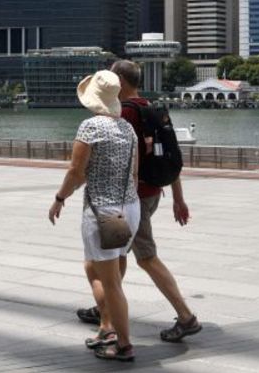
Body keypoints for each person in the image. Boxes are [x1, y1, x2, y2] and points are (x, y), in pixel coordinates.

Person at [76, 59, 201, 342]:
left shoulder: (127, 115)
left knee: (145, 258)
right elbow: (169, 156)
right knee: (117, 255)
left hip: (132, 199)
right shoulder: (151, 107)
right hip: (153, 192)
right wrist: (178, 198)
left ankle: (185, 316)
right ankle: (105, 308)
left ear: (119, 80)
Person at [48, 69, 140, 362]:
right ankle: (107, 327)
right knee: (93, 268)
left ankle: (121, 342)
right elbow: (134, 174)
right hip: (129, 208)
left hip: (103, 211)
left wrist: (60, 198)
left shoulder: (90, 127)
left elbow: (76, 171)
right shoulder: (128, 129)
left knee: (110, 282)